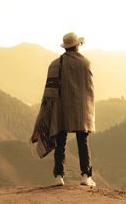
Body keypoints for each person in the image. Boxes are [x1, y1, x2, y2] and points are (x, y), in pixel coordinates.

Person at [31, 32, 96, 187]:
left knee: (60, 141)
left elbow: (49, 92)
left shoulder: (55, 64)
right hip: (81, 109)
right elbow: (89, 89)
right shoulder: (86, 64)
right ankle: (86, 176)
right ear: (77, 45)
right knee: (83, 140)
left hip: (61, 109)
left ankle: (58, 176)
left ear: (66, 47)